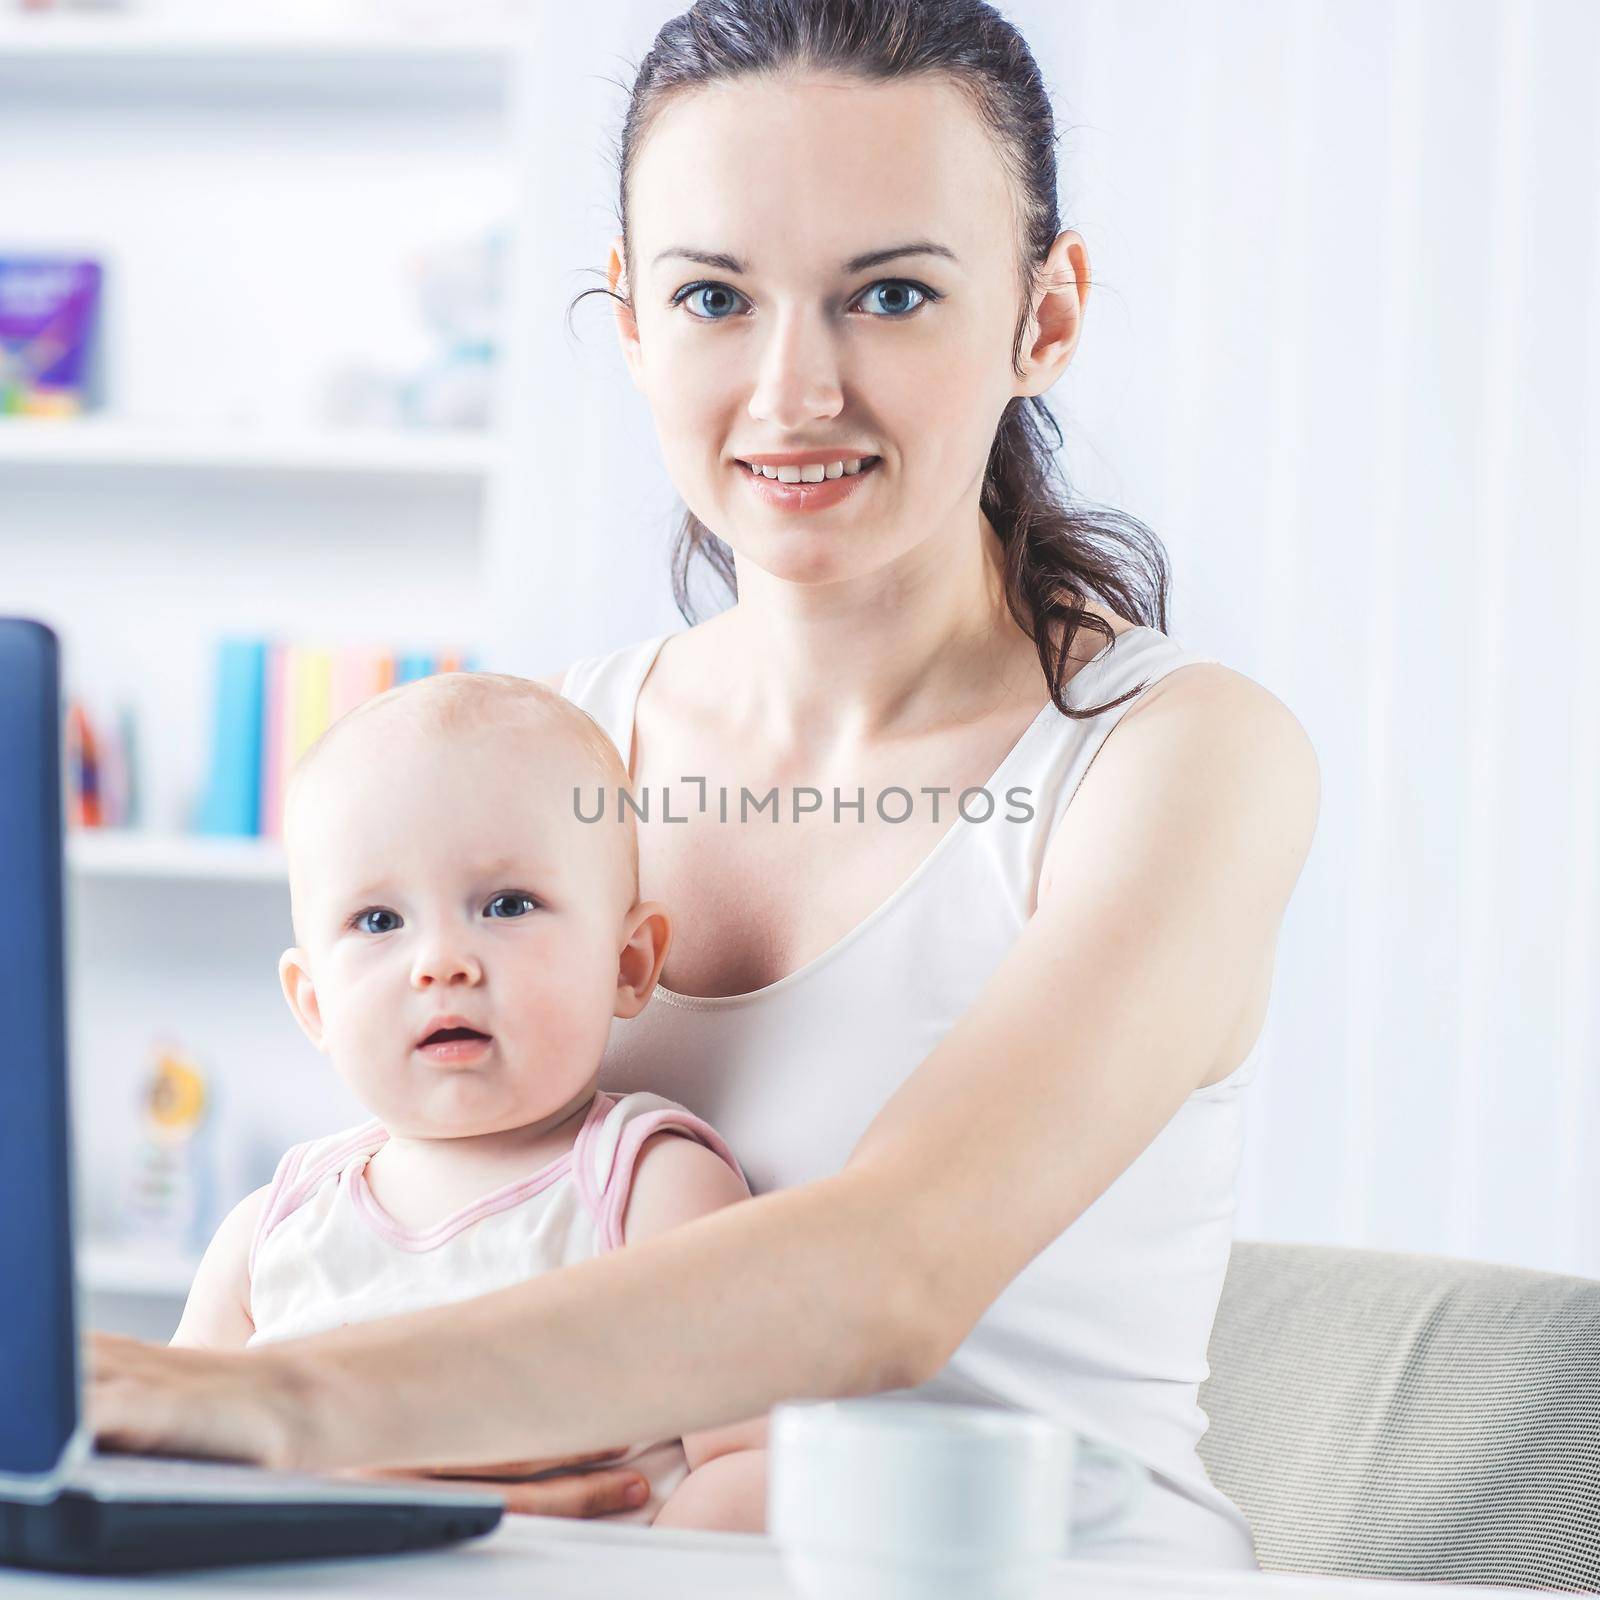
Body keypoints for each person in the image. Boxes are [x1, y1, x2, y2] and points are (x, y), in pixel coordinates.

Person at [91, 0, 1320, 1568]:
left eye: (888, 293)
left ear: (1046, 313)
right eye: (714, 297)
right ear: (629, 324)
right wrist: (422, 1463)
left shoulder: (1175, 759)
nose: (795, 390)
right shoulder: (543, 756)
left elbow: (892, 1270)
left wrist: (267, 1405)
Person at [165, 672, 771, 1531]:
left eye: (507, 904)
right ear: (313, 1005)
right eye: (378, 921)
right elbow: (172, 1472)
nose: (441, 962)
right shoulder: (268, 1235)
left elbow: (751, 1469)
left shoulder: (650, 1192)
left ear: (629, 964)